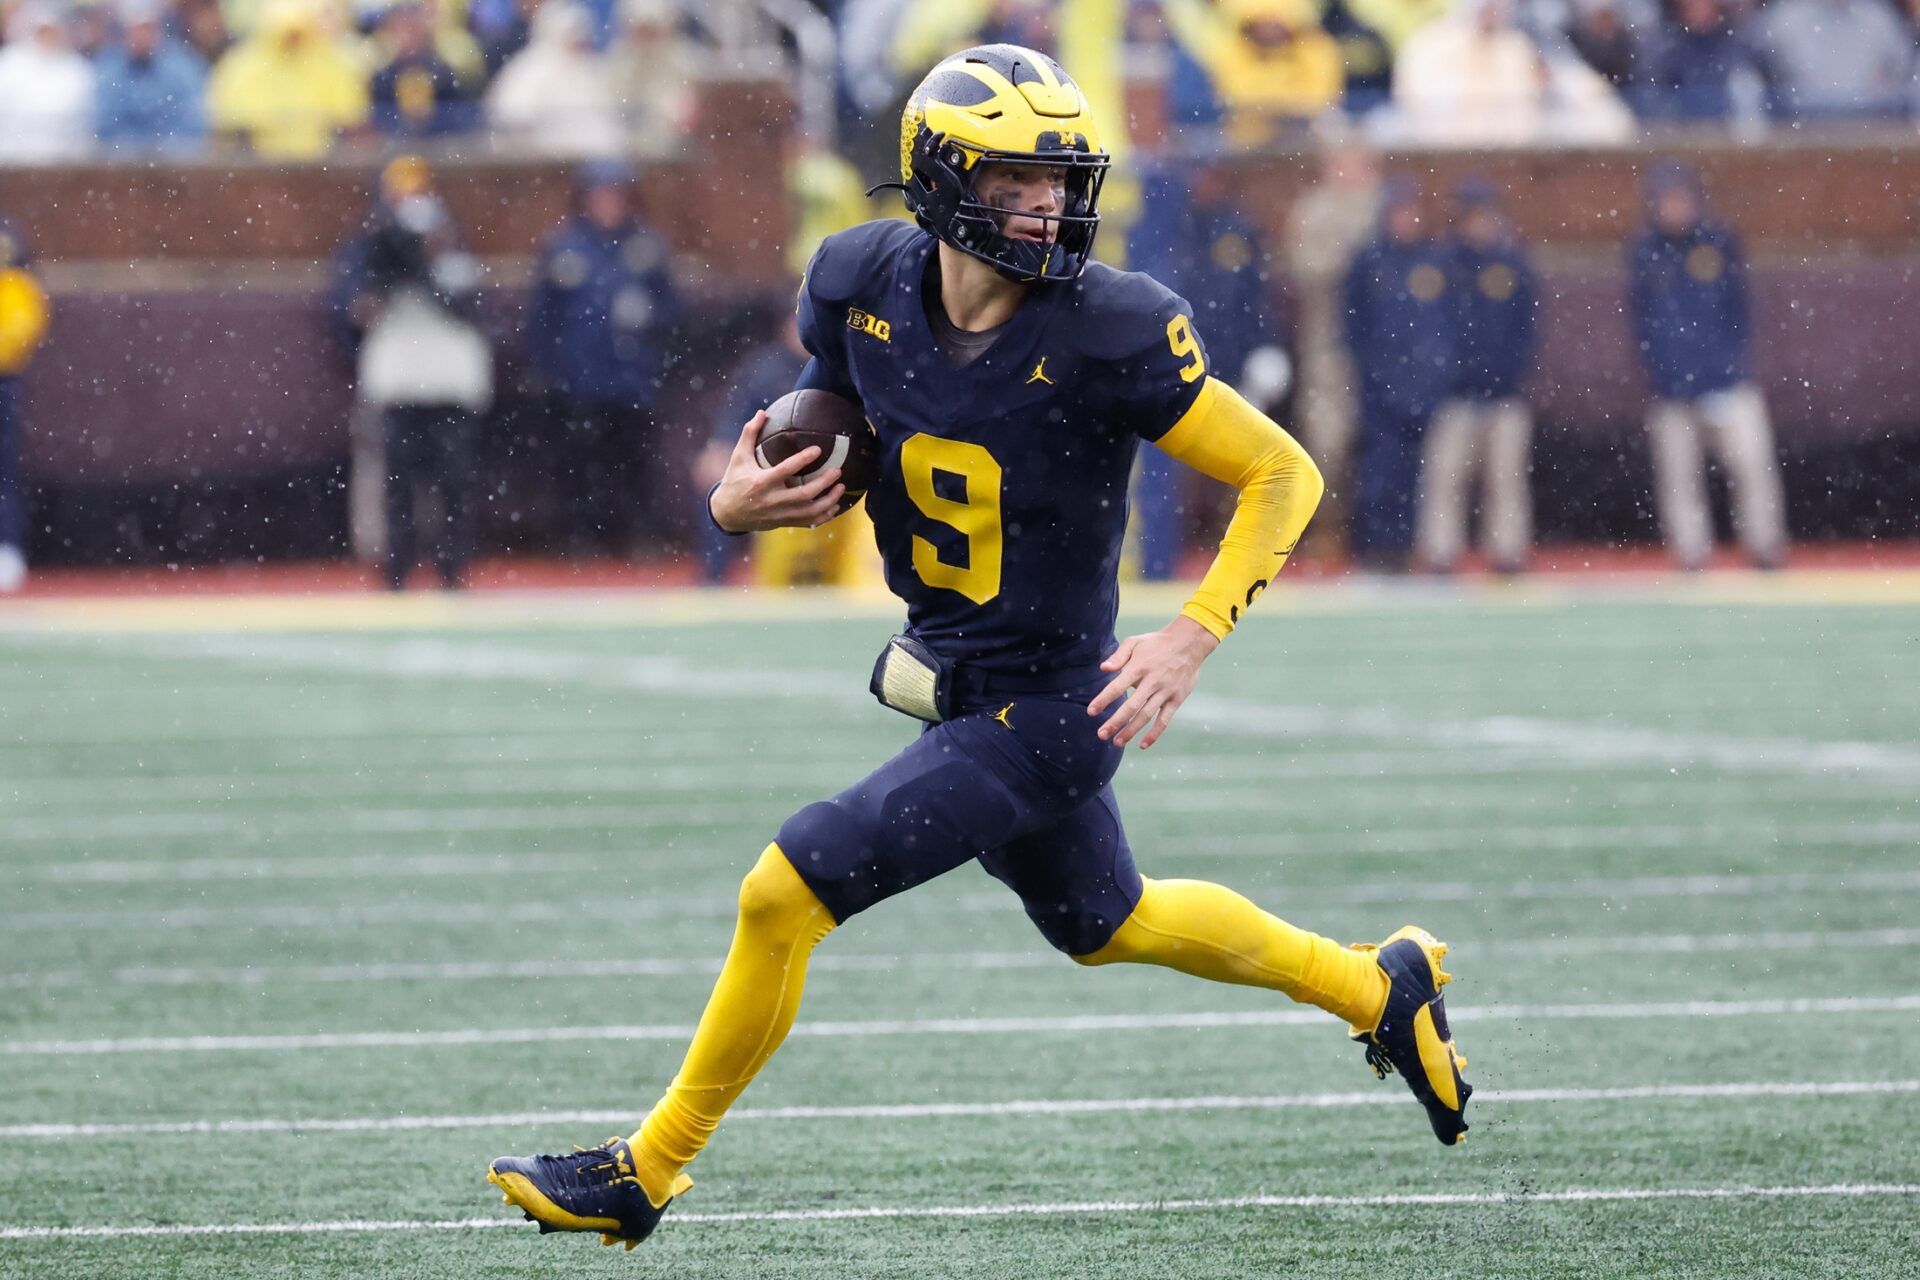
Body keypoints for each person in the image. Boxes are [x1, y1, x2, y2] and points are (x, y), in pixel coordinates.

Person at [487, 43, 1473, 1253]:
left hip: (1053, 704)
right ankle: (1380, 984)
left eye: (1059, 180)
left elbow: (1283, 469)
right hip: (948, 678)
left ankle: (646, 1167)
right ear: (945, 183)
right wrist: (736, 507)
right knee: (1108, 919)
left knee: (783, 889)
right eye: (1017, 183)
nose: (1047, 206)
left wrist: (1193, 629)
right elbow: (810, 438)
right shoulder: (857, 281)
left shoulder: (1111, 326)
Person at [1628, 163, 1787, 571]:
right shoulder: (1646, 251)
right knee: (1679, 476)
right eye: (1666, 200)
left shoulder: (1718, 243)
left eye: (1680, 199)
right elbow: (1643, 321)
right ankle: (1691, 552)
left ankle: (1764, 546)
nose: (1674, 209)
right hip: (1672, 387)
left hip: (1727, 382)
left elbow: (1739, 311)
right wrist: (1664, 372)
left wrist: (1728, 366)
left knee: (1751, 465)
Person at [524, 160, 681, 555]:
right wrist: (549, 371)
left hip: (633, 378)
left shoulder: (646, 247)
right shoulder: (564, 247)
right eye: (600, 195)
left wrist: (650, 321)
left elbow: (673, 312)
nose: (608, 204)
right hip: (580, 379)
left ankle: (643, 537)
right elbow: (542, 317)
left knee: (636, 461)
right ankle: (582, 538)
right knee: (580, 464)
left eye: (616, 195)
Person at [346, 168, 493, 589]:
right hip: (400, 385)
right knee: (398, 484)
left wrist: (428, 270)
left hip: (450, 385)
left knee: (453, 482)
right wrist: (389, 278)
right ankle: (396, 569)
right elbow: (351, 311)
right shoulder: (371, 250)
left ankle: (452, 569)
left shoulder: (456, 255)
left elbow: (470, 309)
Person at [1416, 176, 1538, 575]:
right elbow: (1434, 327)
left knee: (1505, 478)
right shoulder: (1444, 264)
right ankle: (1440, 552)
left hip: (1503, 392)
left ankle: (1508, 551)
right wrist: (1447, 373)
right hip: (1455, 392)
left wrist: (1508, 374)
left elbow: (1527, 327)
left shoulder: (1513, 261)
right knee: (1446, 475)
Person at [1342, 175, 1456, 571]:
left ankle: (1411, 549)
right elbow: (1353, 325)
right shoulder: (1369, 260)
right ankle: (1378, 550)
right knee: (1380, 473)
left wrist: (1438, 373)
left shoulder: (1435, 260)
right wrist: (1374, 374)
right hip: (1381, 389)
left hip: (1426, 389)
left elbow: (1450, 323)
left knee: (1424, 475)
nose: (1406, 220)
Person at [206, 0, 369, 159]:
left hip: (322, 168)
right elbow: (229, 126)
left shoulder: (331, 64)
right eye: (284, 33)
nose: (291, 40)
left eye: (298, 33)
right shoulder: (240, 67)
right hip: (256, 169)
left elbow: (353, 121)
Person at [0, 221, 51, 593]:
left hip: (4, 385)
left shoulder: (19, 289)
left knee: (4, 470)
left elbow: (15, 338)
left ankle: (7, 548)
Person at [94, 0, 211, 154]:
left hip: (175, 162)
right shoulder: (110, 69)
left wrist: (163, 152)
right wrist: (134, 152)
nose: (141, 36)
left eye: (147, 29)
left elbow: (191, 123)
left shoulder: (183, 68)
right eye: (135, 30)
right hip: (122, 163)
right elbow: (105, 124)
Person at [0, 6, 98, 163]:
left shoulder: (76, 69)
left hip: (62, 162)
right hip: (13, 160)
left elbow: (82, 121)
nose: (47, 38)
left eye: (51, 32)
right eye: (42, 33)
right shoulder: (8, 65)